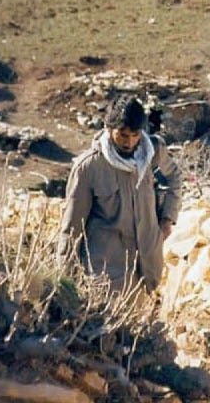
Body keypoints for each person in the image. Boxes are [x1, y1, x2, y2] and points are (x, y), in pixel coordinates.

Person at [58, 95, 182, 292]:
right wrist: (64, 285)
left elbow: (174, 177)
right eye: (123, 135)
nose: (129, 143)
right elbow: (71, 228)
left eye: (135, 135)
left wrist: (167, 218)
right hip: (107, 275)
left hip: (147, 267)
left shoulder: (153, 152)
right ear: (108, 129)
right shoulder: (89, 167)